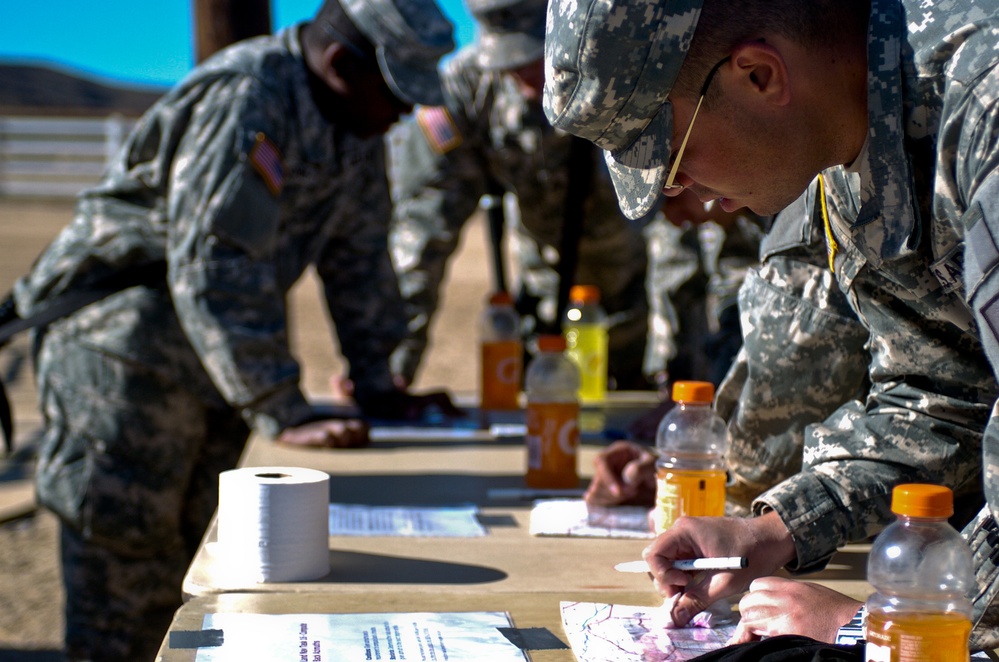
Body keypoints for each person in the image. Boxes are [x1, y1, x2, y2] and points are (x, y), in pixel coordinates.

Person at [4, 0, 455, 658]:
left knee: (208, 564)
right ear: (340, 64)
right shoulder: (247, 96)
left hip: (214, 364)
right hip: (119, 356)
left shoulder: (354, 126)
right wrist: (278, 402)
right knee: (126, 578)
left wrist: (377, 382)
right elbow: (215, 263)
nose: (403, 112)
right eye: (393, 91)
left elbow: (359, 263)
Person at [543, 0, 999, 650]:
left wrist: (877, 630)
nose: (681, 196)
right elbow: (938, 399)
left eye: (671, 162)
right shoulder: (848, 143)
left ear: (758, 75)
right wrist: (774, 529)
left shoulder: (986, 98)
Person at [385, 0, 764, 392]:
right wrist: (388, 371)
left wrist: (685, 371)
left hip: (650, 322)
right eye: (510, 64)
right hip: (546, 324)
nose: (525, 79)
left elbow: (697, 229)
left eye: (536, 56)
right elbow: (423, 233)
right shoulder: (468, 90)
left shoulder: (637, 74)